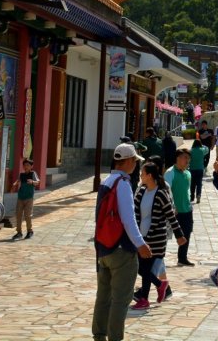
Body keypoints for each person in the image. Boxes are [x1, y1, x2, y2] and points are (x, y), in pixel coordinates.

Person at [92, 143, 151, 341]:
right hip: (121, 249)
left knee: (103, 297)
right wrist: (140, 244)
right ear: (126, 161)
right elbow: (128, 218)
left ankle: (99, 335)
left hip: (104, 248)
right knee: (121, 299)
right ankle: (115, 338)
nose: (135, 164)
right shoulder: (123, 183)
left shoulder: (106, 181)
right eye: (134, 160)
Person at [131, 161, 186, 310]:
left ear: (149, 176)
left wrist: (179, 235)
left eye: (142, 174)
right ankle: (160, 284)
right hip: (141, 236)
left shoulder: (161, 193)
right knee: (139, 267)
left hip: (156, 237)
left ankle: (144, 298)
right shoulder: (141, 191)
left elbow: (171, 216)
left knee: (146, 267)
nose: (141, 176)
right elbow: (133, 212)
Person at [164, 149, 195, 266]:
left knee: (186, 233)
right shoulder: (170, 172)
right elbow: (166, 192)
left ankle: (182, 258)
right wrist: (172, 207)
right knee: (165, 234)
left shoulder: (188, 173)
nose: (187, 160)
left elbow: (187, 191)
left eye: (188, 158)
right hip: (174, 211)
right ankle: (158, 258)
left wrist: (190, 205)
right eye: (185, 157)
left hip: (186, 209)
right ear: (177, 158)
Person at [11, 158, 39, 240]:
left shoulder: (33, 173)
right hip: (20, 197)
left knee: (28, 215)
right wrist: (14, 184)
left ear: (31, 166)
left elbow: (38, 182)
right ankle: (19, 232)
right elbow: (18, 180)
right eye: (24, 165)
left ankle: (29, 231)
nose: (26, 167)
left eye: (28, 165)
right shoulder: (21, 174)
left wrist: (32, 182)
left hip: (29, 198)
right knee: (18, 215)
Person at [189, 136, 209, 204]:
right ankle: (198, 195)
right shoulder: (202, 150)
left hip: (192, 169)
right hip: (200, 169)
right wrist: (202, 145)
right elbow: (207, 149)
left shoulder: (191, 151)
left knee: (192, 183)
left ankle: (192, 196)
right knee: (199, 183)